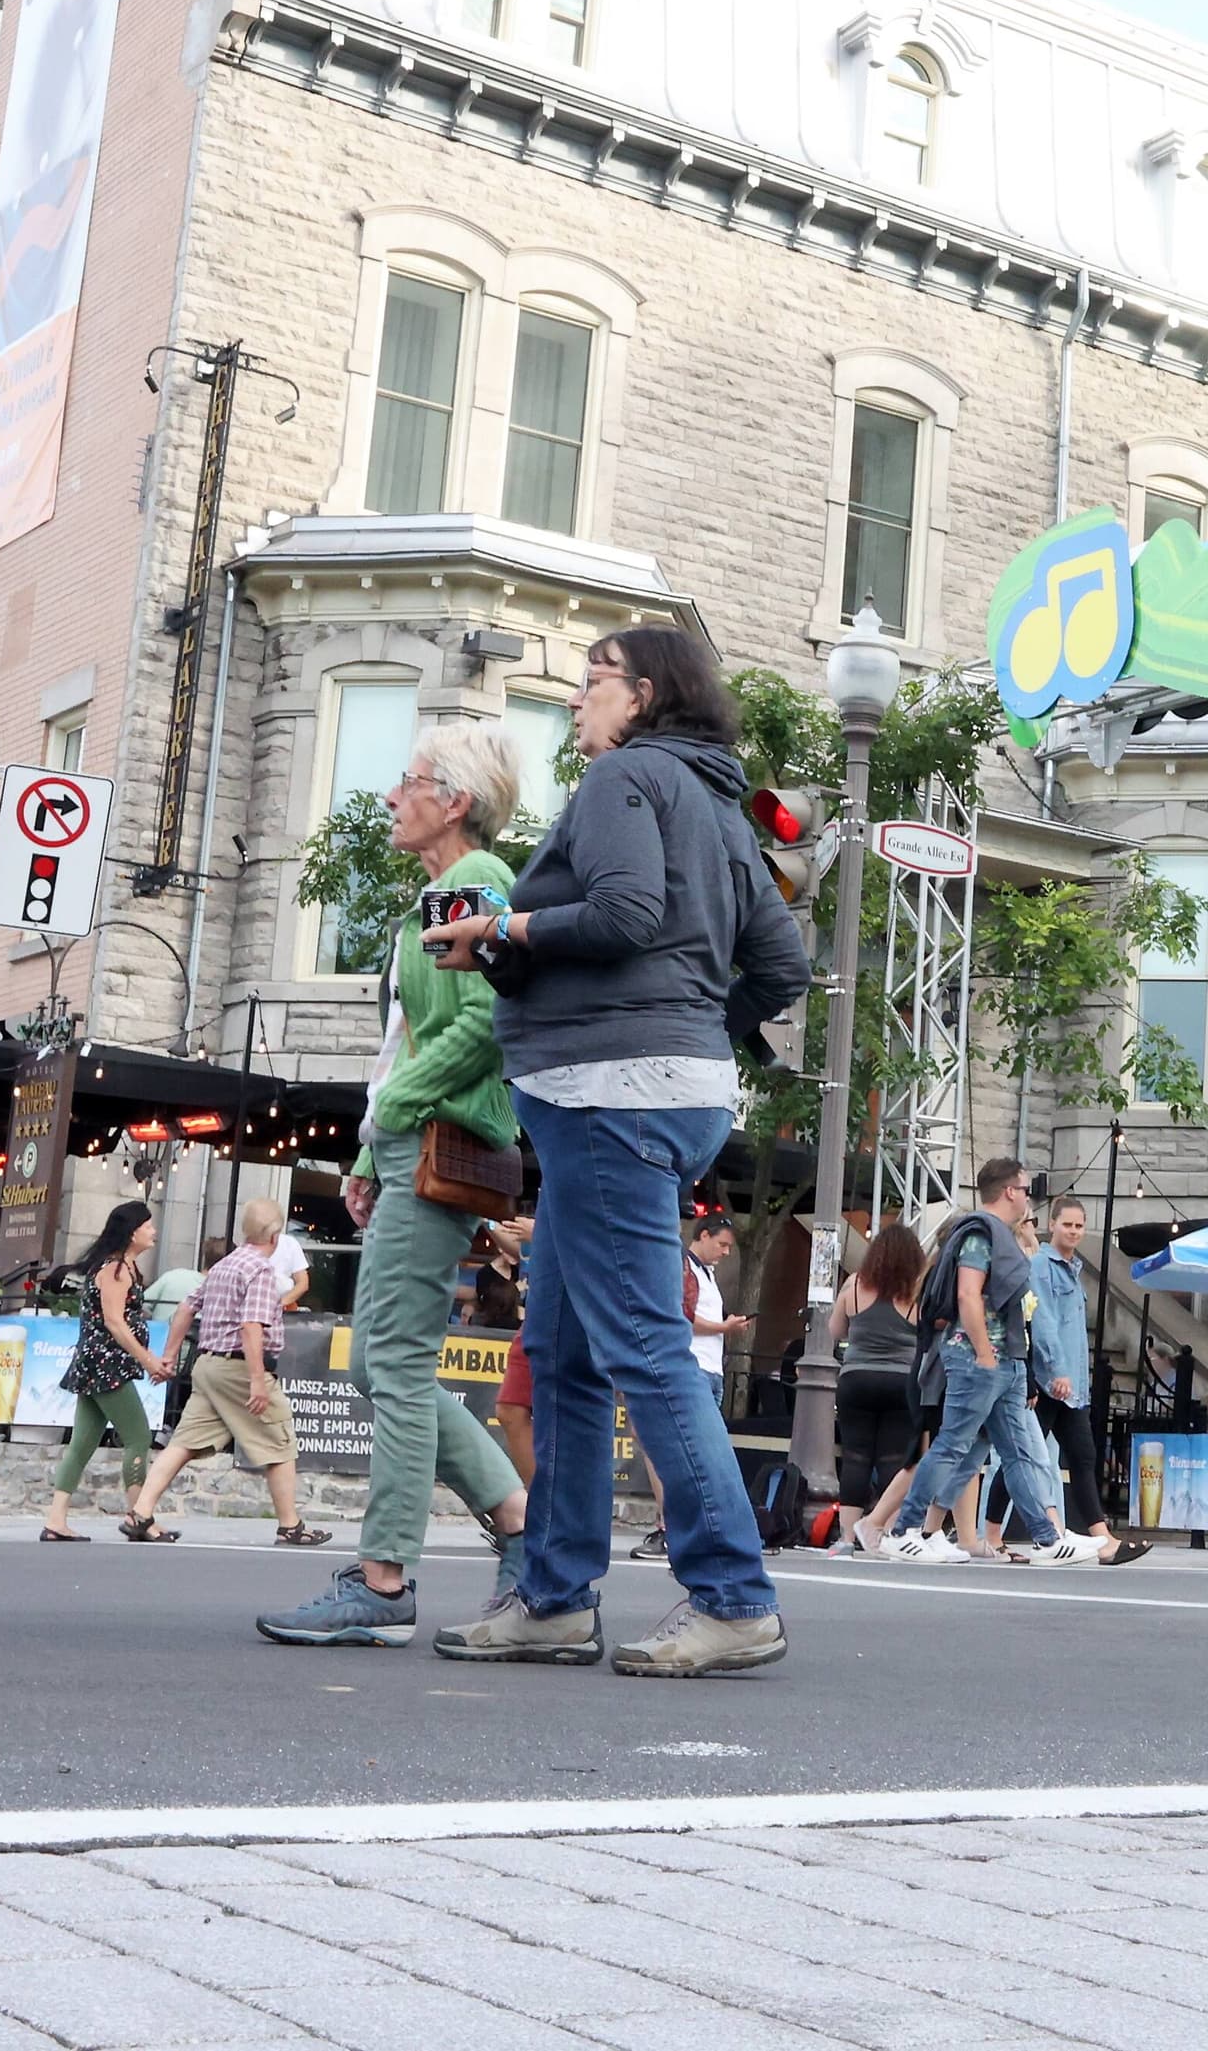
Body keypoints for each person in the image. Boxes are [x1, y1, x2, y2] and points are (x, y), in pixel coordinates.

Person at [422, 625, 810, 1676]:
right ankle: (551, 1592)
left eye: (590, 685)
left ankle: (732, 1593)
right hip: (663, 1088)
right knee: (564, 1352)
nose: (578, 703)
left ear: (640, 695)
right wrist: (695, 1024)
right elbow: (783, 962)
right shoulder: (722, 807)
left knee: (639, 1342)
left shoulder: (622, 779)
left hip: (607, 1093)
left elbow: (629, 910)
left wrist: (502, 934)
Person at [259, 727, 536, 1641]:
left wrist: (391, 1120)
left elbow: (485, 1025)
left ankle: (383, 1582)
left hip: (437, 1144)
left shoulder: (475, 884)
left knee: (399, 1364)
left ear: (453, 801)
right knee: (384, 1362)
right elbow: (412, 1041)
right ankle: (515, 1521)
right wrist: (374, 1156)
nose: (390, 796)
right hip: (417, 1151)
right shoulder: (438, 893)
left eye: (408, 781)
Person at [883, 1163, 1099, 1568]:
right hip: (980, 1359)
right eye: (1026, 1188)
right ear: (1010, 1192)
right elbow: (968, 1294)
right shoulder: (981, 1233)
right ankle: (902, 1531)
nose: (1029, 1196)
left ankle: (1047, 1538)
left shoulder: (996, 1235)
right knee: (953, 1444)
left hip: (1005, 1361)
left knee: (1015, 1452)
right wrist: (984, 1353)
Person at [122, 1197, 313, 1544]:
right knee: (281, 1441)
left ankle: (141, 1512)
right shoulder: (260, 1270)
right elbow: (251, 1326)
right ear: (274, 1236)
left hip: (207, 1364)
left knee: (183, 1443)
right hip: (238, 1367)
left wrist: (169, 1355)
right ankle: (290, 1525)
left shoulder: (225, 1265)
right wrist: (258, 1379)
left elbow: (185, 1308)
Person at [41, 1203, 169, 1541]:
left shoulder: (119, 1267)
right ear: (132, 1232)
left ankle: (56, 1520)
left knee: (82, 1443)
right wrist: (148, 1359)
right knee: (139, 1436)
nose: (153, 1232)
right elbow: (115, 1322)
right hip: (106, 1364)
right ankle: (140, 1518)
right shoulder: (116, 1270)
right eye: (148, 1226)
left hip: (95, 1363)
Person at [633, 1212, 753, 1564]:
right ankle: (679, 1526)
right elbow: (682, 1316)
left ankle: (683, 1526)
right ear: (702, 1235)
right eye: (722, 1244)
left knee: (687, 1451)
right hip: (695, 1367)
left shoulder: (704, 1273)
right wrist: (723, 1327)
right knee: (680, 1449)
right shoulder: (686, 1267)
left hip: (706, 1369)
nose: (725, 1252)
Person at [1030, 1194, 1138, 1559]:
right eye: (1067, 1224)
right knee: (1026, 1458)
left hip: (1071, 1384)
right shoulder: (1042, 1266)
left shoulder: (1072, 1270)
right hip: (1050, 1381)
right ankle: (993, 1531)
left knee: (1082, 1455)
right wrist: (1057, 1370)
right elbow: (1043, 1322)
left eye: (1079, 1226)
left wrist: (1075, 1377)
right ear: (1052, 1225)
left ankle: (1103, 1538)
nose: (1074, 1231)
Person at [829, 1221, 927, 1550]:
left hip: (856, 1380)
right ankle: (884, 1532)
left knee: (855, 1457)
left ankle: (846, 1537)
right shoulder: (915, 1293)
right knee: (894, 1458)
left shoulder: (855, 1285)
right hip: (901, 1381)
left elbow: (835, 1330)